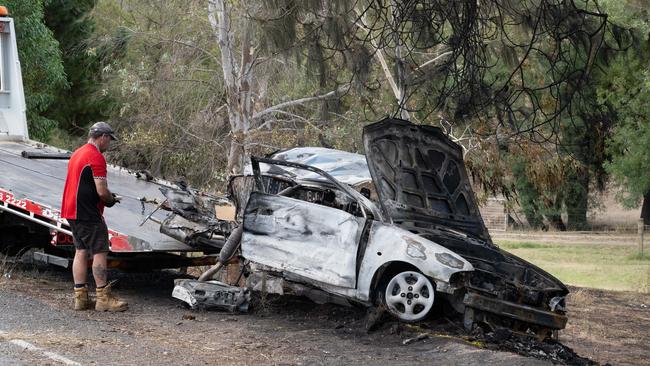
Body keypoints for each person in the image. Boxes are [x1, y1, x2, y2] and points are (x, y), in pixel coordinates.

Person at [61, 122, 128, 312]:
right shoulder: (96, 157)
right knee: (100, 251)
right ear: (103, 137)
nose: (110, 145)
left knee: (81, 250)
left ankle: (80, 298)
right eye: (110, 140)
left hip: (71, 209)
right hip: (87, 212)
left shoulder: (78, 152)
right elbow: (101, 190)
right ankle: (102, 297)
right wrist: (111, 200)